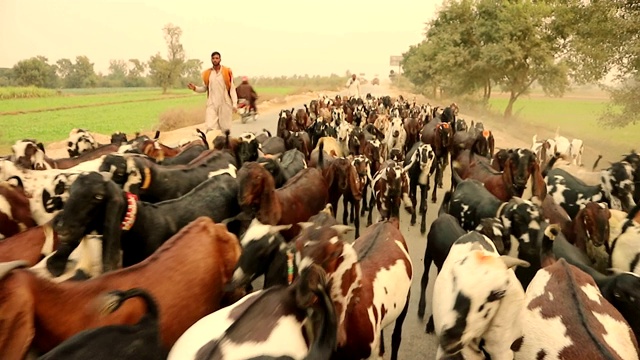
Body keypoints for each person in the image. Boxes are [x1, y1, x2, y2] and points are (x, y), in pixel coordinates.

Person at [188, 51, 238, 134]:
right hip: (212, 104)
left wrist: (235, 104)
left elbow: (232, 88)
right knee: (210, 127)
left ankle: (226, 146)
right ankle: (212, 145)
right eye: (213, 58)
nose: (215, 60)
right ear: (211, 60)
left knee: (225, 130)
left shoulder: (226, 72)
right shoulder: (207, 73)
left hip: (225, 103)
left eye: (217, 58)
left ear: (220, 59)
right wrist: (195, 88)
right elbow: (205, 88)